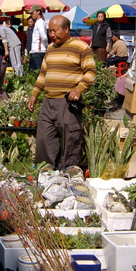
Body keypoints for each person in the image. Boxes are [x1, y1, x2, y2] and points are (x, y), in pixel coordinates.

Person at [27, 15, 96, 170]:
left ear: (66, 29)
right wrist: (34, 95)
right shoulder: (50, 49)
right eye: (50, 31)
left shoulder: (80, 47)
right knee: (45, 139)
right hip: (48, 101)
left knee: (70, 140)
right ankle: (45, 172)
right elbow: (43, 74)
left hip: (68, 103)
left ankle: (67, 174)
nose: (52, 34)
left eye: (55, 31)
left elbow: (91, 72)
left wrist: (79, 89)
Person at [28, 5, 48, 70]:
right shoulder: (38, 22)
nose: (32, 15)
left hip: (38, 51)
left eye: (32, 13)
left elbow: (44, 37)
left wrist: (45, 46)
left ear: (38, 12)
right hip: (35, 51)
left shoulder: (40, 22)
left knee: (38, 73)